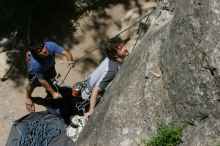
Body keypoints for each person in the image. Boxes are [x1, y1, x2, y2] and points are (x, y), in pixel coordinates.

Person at [82, 37, 129, 120]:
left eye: (124, 45)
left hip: (88, 84)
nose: (125, 48)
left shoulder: (111, 59)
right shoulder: (112, 70)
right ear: (115, 54)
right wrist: (91, 110)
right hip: (88, 94)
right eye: (121, 48)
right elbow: (96, 90)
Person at [25, 40, 75, 112]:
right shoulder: (35, 64)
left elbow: (66, 53)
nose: (44, 50)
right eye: (40, 51)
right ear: (37, 55)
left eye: (43, 47)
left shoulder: (50, 45)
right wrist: (53, 93)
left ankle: (50, 88)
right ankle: (28, 97)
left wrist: (70, 61)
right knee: (32, 84)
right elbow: (41, 80)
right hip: (38, 71)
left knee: (52, 76)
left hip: (49, 65)